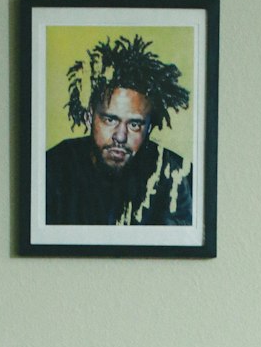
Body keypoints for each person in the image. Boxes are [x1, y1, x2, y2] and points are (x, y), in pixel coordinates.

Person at [46, 34, 193, 226]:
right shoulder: (53, 168)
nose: (120, 136)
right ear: (89, 116)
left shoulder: (173, 176)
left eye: (134, 125)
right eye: (110, 119)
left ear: (149, 128)